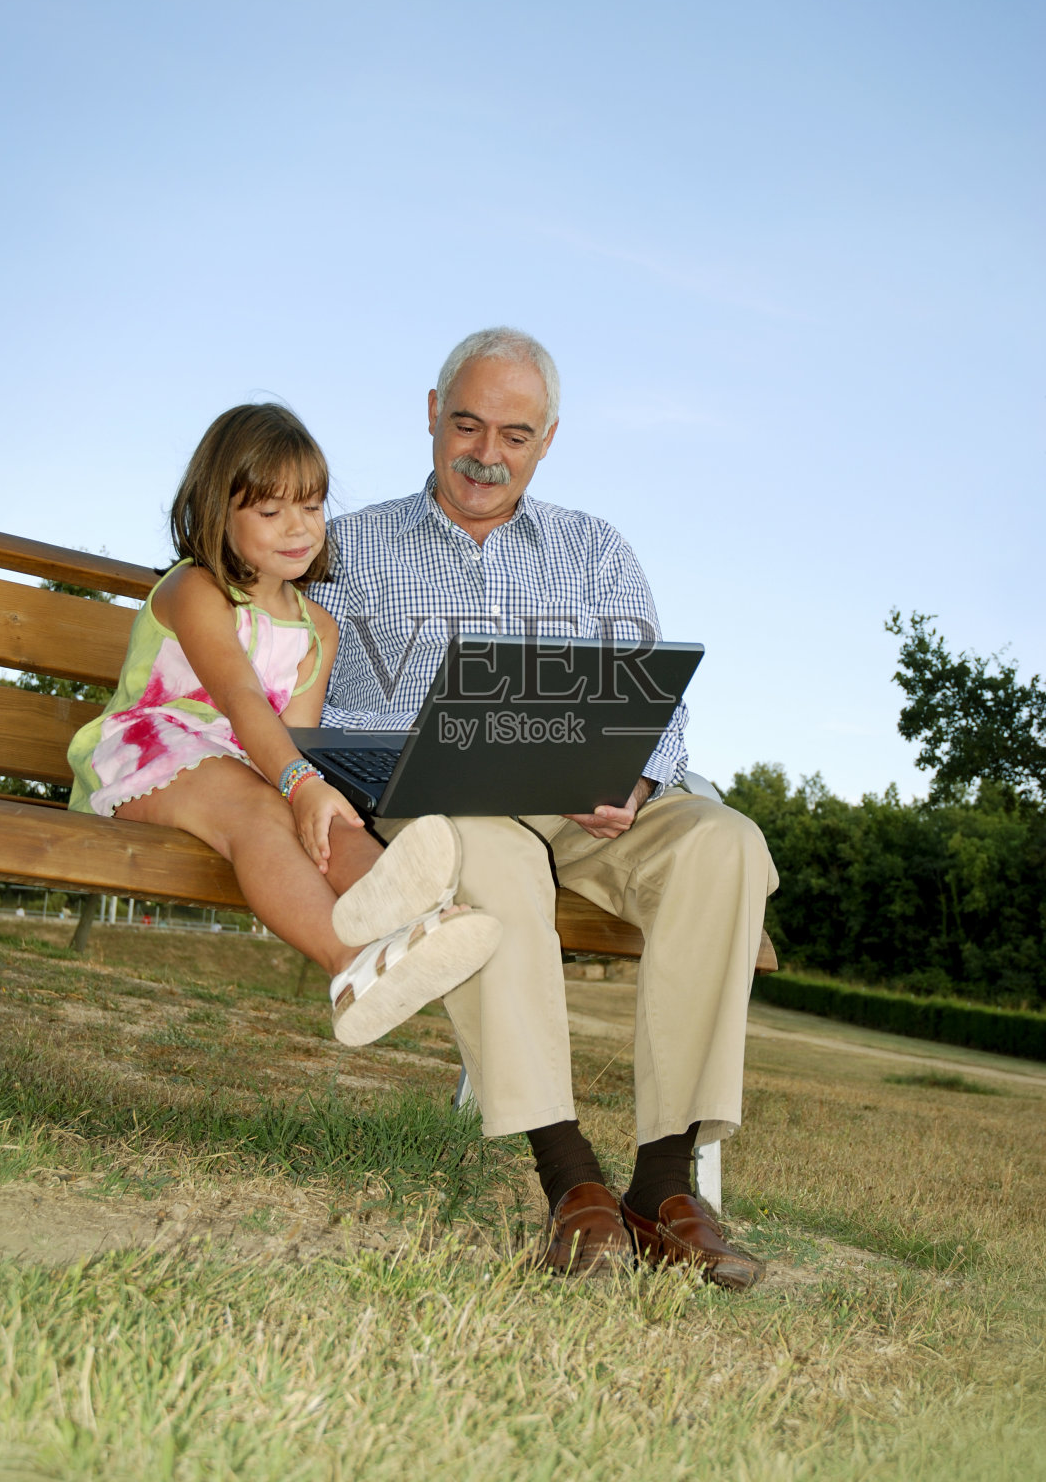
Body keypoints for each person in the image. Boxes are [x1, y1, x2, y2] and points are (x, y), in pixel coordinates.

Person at [310, 330, 779, 1284]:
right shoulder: (346, 549)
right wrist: (429, 740)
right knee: (486, 849)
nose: (488, 453)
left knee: (725, 844)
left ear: (548, 439)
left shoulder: (595, 548)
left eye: (516, 434)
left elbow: (658, 701)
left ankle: (663, 1182)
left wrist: (638, 778)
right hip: (445, 804)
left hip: (582, 806)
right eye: (470, 424)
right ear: (431, 413)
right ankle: (570, 1181)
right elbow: (305, 701)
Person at [67, 403, 500, 1047]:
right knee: (268, 805)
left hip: (255, 771)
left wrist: (311, 797)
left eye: (312, 507)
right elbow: (241, 698)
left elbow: (293, 743)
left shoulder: (318, 628)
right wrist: (297, 784)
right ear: (220, 510)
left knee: (330, 817)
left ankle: (422, 921)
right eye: (271, 512)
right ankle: (349, 968)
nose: (298, 528)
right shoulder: (195, 589)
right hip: (149, 758)